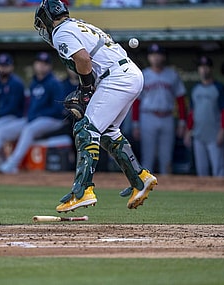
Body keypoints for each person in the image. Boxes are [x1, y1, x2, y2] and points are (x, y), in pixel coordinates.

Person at [33, 0, 157, 212]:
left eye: (42, 23)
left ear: (46, 18)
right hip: (129, 74)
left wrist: (86, 89)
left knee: (85, 129)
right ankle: (140, 178)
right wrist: (89, 89)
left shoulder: (61, 31)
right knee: (107, 132)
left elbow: (83, 59)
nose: (43, 29)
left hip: (116, 78)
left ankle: (82, 191)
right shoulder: (77, 24)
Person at [0, 52, 65, 174]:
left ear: (50, 66)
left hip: (53, 119)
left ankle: (13, 164)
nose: (41, 66)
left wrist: (36, 115)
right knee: (3, 131)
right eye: (39, 63)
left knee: (29, 129)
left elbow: (58, 109)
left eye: (45, 64)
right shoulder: (34, 82)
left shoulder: (54, 83)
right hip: (32, 119)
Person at [132, 43, 187, 175]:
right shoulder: (143, 75)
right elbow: (136, 102)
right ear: (149, 57)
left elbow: (180, 100)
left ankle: (167, 189)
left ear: (163, 57)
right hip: (148, 117)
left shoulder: (172, 74)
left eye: (158, 54)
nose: (155, 57)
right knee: (148, 156)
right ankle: (145, 186)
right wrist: (135, 124)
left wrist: (181, 122)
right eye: (153, 55)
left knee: (166, 156)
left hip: (167, 117)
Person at [183, 56, 224, 177]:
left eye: (206, 67)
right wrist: (188, 130)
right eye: (201, 67)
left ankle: (222, 194)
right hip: (198, 134)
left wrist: (223, 130)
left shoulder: (219, 88)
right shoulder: (196, 89)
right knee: (201, 170)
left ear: (211, 69)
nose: (203, 70)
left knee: (219, 169)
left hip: (214, 133)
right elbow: (192, 112)